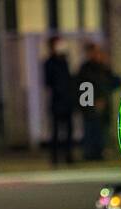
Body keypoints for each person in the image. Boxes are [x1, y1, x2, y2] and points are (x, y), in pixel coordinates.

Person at [75, 42, 120, 161]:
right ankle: (90, 153)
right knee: (90, 129)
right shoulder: (86, 69)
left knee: (102, 130)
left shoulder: (103, 68)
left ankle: (100, 152)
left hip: (103, 105)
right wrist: (92, 103)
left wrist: (103, 99)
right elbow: (84, 87)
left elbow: (113, 82)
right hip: (90, 106)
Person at [43, 36, 75, 166]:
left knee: (68, 129)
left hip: (67, 100)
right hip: (57, 100)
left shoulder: (64, 61)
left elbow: (70, 79)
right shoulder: (49, 62)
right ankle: (55, 158)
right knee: (55, 131)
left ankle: (68, 156)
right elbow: (48, 81)